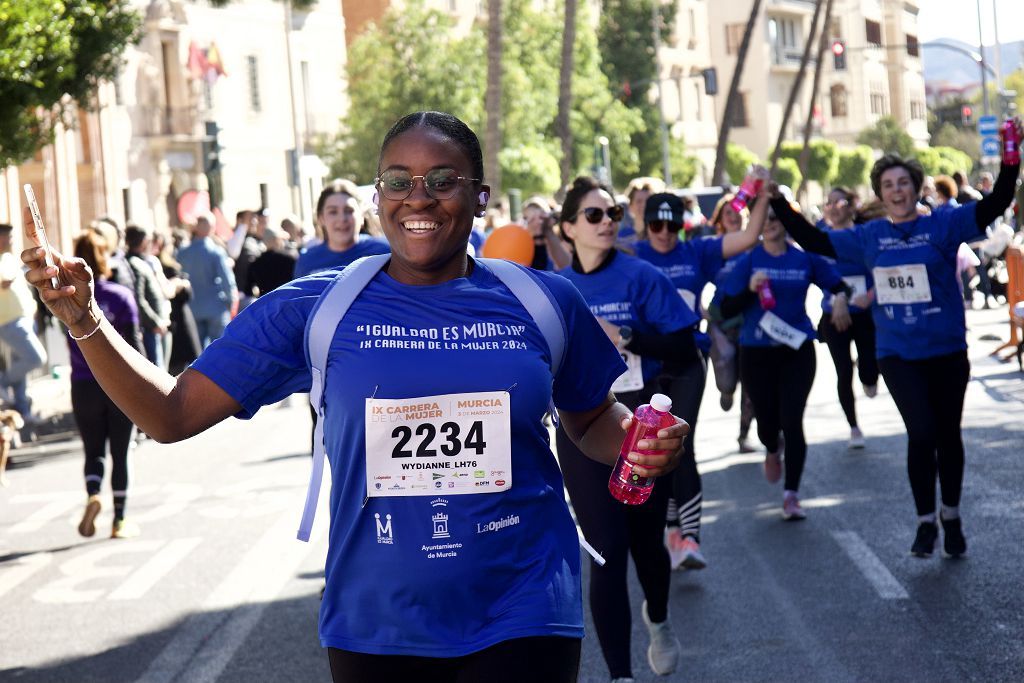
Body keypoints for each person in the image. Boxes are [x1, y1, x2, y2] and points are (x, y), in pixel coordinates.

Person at [22, 111, 688, 683]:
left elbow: (592, 416)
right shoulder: (318, 309)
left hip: (526, 602)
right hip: (377, 621)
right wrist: (84, 320)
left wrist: (636, 437)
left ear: (480, 195)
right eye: (398, 181)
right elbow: (169, 414)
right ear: (378, 195)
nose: (417, 199)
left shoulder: (542, 300)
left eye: (442, 181)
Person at [773, 123, 1022, 556]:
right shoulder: (870, 236)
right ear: (879, 193)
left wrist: (1010, 157)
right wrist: (777, 200)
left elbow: (998, 201)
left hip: (946, 349)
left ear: (914, 187)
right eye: (888, 185)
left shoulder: (944, 225)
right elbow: (814, 240)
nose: (897, 191)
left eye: (903, 182)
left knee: (948, 436)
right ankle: (926, 521)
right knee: (921, 432)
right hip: (898, 353)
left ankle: (951, 513)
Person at [556, 176, 698, 682]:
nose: (607, 222)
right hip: (579, 430)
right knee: (606, 550)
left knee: (644, 543)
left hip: (642, 424)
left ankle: (658, 620)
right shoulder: (557, 289)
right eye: (594, 215)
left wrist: (631, 336)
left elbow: (686, 347)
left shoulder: (640, 276)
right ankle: (620, 675)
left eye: (613, 213)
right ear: (568, 227)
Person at [634, 191, 764, 569]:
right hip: (646, 362)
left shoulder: (696, 252)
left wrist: (763, 195)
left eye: (671, 224)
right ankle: (671, 526)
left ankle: (689, 538)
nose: (663, 232)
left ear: (682, 225)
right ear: (646, 225)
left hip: (689, 358)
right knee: (654, 449)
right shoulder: (633, 255)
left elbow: (747, 237)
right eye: (656, 224)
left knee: (680, 441)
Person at [719, 192, 851, 520]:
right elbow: (723, 308)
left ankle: (791, 494)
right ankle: (770, 445)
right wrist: (748, 288)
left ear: (786, 222)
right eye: (764, 218)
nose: (770, 224)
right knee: (767, 422)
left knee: (792, 421)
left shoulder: (804, 259)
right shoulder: (748, 261)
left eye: (776, 218)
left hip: (797, 350)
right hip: (756, 353)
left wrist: (838, 300)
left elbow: (840, 285)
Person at [774, 187, 879, 449]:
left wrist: (871, 294)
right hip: (834, 315)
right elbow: (814, 275)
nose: (831, 207)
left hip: (865, 312)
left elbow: (885, 267)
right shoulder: (820, 240)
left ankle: (870, 377)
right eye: (827, 202)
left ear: (852, 205)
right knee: (843, 371)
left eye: (837, 201)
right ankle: (854, 427)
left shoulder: (865, 235)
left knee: (869, 370)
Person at [69, 231, 143, 538]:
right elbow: (137, 345)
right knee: (121, 453)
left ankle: (93, 494)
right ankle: (120, 520)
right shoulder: (120, 296)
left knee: (93, 449)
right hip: (118, 383)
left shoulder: (70, 299)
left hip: (83, 383)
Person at [705, 196, 757, 453]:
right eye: (727, 212)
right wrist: (700, 311)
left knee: (751, 382)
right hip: (721, 323)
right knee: (728, 381)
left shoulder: (755, 247)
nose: (733, 215)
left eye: (737, 210)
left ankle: (744, 435)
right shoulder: (714, 249)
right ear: (720, 219)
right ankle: (726, 391)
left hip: (751, 321)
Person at [294, 179, 391, 277]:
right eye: (333, 212)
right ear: (321, 218)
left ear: (362, 216)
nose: (342, 219)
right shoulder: (307, 261)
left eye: (349, 210)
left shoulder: (384, 252)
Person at [0, 223, 47, 421]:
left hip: (25, 319)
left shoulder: (10, 258)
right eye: (6, 237)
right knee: (36, 358)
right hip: (8, 321)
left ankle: (22, 412)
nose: (10, 240)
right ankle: (2, 383)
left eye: (11, 237)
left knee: (22, 368)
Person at [176, 214, 236, 348]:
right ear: (212, 228)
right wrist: (229, 302)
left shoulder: (183, 252)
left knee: (199, 352)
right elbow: (227, 279)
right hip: (215, 307)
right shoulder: (216, 252)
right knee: (219, 349)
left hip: (193, 307)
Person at [125, 225, 171, 369]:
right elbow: (139, 299)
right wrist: (154, 322)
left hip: (151, 327)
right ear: (143, 241)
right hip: (148, 328)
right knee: (156, 370)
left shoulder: (138, 261)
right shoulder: (135, 263)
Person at [248, 226, 297, 296]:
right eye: (281, 239)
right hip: (286, 300)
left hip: (265, 302)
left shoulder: (256, 263)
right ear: (276, 240)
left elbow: (249, 289)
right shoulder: (289, 259)